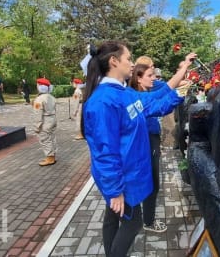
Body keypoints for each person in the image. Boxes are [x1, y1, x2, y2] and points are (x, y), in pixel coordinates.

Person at [82, 40, 196, 257]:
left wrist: (179, 92)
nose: (132, 64)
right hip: (123, 179)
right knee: (132, 224)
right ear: (114, 62)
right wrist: (115, 190)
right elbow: (104, 151)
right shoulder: (103, 101)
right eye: (128, 59)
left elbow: (153, 103)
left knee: (112, 218)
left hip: (129, 174)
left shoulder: (124, 94)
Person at [129, 63, 167, 233]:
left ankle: (142, 219)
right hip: (148, 140)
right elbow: (161, 104)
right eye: (150, 75)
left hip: (152, 139)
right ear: (138, 78)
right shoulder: (138, 97)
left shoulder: (144, 93)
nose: (154, 78)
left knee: (152, 182)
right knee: (152, 182)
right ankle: (148, 221)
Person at [33, 78, 58, 166]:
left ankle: (50, 159)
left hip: (45, 121)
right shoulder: (52, 97)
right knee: (52, 138)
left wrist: (37, 126)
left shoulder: (39, 99)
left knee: (45, 140)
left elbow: (37, 114)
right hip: (53, 119)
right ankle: (52, 156)